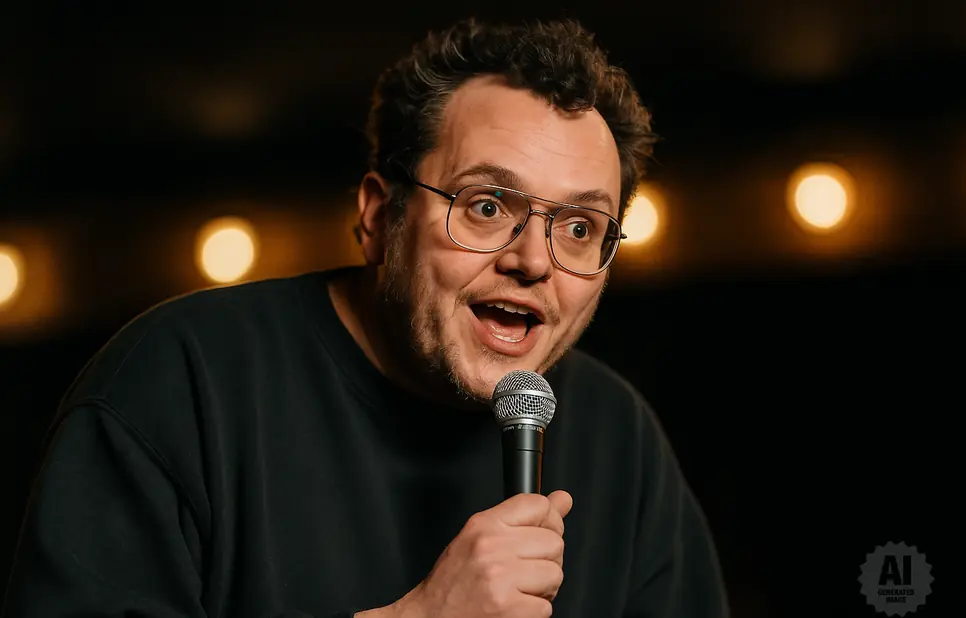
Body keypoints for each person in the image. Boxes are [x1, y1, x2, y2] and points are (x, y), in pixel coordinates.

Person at [2, 17, 729, 618]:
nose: (534, 261)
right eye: (486, 206)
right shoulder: (180, 381)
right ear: (382, 215)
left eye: (578, 227)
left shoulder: (619, 438)